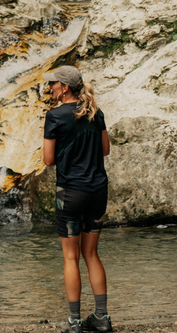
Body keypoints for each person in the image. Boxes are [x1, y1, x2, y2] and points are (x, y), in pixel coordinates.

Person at [43, 65, 112, 333]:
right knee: (91, 254)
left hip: (69, 193)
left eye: (53, 84)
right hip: (97, 191)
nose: (50, 88)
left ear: (64, 88)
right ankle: (102, 318)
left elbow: (48, 160)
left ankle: (74, 322)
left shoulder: (55, 116)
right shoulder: (96, 113)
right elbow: (105, 150)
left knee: (71, 258)